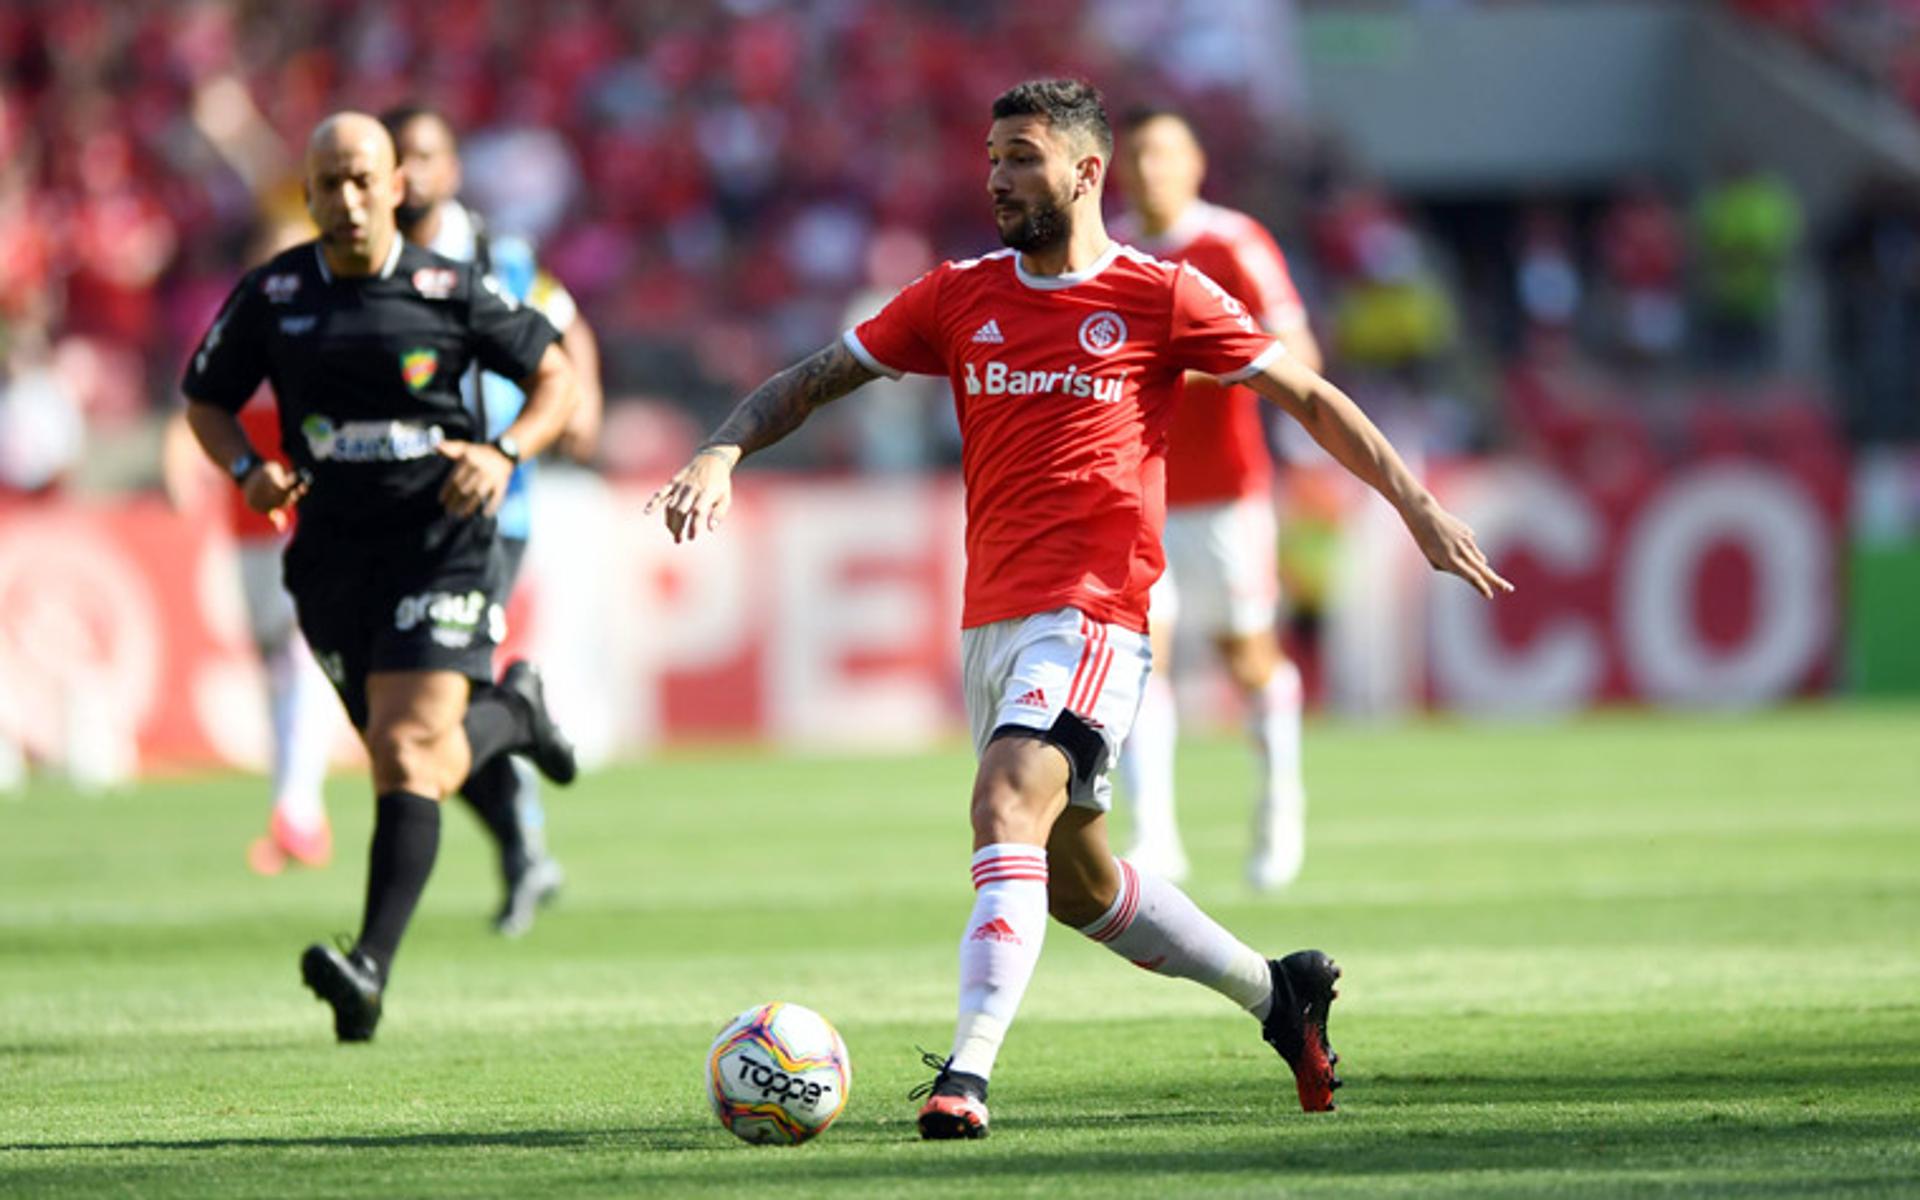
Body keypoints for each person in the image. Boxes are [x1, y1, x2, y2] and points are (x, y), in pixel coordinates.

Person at [649, 79, 1511, 1138]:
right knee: (1078, 883)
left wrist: (1416, 506)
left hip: (1097, 614)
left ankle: (965, 1074)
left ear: (1085, 171)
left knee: (1004, 802)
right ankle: (1277, 993)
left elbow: (1312, 398)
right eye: (992, 157)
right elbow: (820, 376)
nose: (997, 177)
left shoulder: (1163, 294)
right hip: (993, 623)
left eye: (1020, 156)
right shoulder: (958, 295)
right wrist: (722, 446)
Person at [180, 112, 581, 1043]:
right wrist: (247, 470)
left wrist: (506, 450)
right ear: (309, 195)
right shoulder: (273, 293)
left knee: (404, 754)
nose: (349, 201)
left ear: (397, 184)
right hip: (329, 555)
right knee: (413, 762)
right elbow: (206, 400)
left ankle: (367, 970)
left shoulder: (449, 286)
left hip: (441, 540)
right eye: (329, 185)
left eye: (364, 180)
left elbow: (555, 375)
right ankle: (515, 713)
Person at [383, 104, 604, 937]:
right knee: (408, 708)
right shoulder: (367, 260)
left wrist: (584, 402)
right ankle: (522, 834)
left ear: (451, 169)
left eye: (424, 155)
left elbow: (566, 321)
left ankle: (523, 838)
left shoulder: (494, 255)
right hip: (389, 510)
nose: (410, 172)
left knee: (448, 689)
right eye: (396, 157)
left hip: (489, 504)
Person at [1111, 106, 1325, 891]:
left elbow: (1297, 349)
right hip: (1137, 494)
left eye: (1164, 153)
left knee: (1246, 655)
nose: (1150, 168)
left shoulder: (1232, 242)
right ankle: (1157, 836)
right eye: (1137, 155)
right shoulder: (1109, 252)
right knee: (1141, 658)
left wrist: (1189, 367)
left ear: (1196, 163)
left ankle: (1279, 806)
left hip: (1228, 489)